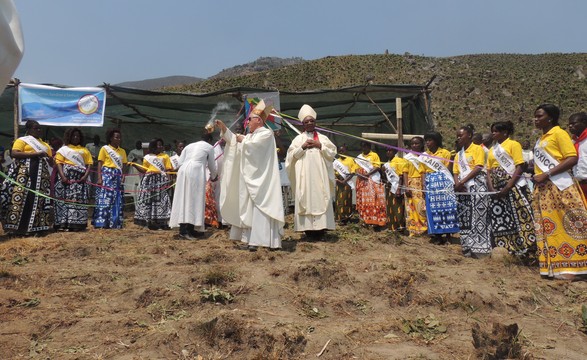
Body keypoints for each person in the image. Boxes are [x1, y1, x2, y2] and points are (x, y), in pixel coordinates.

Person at [215, 100, 284, 251]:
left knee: (260, 209)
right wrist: (225, 130)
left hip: (261, 181)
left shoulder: (266, 133)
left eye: (250, 119)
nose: (247, 123)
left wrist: (243, 141)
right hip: (249, 180)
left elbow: (253, 147)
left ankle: (263, 241)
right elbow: (236, 142)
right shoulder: (251, 136)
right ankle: (250, 240)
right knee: (248, 209)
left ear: (258, 120)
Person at [532, 104, 587, 280]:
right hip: (545, 190)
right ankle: (556, 266)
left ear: (550, 118)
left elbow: (572, 158)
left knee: (572, 224)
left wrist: (547, 173)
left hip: (560, 187)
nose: (536, 119)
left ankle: (578, 267)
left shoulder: (559, 133)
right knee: (551, 227)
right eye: (535, 116)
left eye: (539, 116)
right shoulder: (540, 139)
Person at [285, 104, 337, 239]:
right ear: (302, 124)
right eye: (306, 121)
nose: (309, 123)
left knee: (321, 197)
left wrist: (320, 145)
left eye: (311, 121)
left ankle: (321, 230)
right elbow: (291, 157)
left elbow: (332, 154)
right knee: (305, 198)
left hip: (320, 176)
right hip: (305, 177)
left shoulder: (323, 138)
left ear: (315, 123)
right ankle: (307, 230)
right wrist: (302, 147)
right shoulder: (298, 139)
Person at [486, 121, 535, 255]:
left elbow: (519, 166)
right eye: (493, 131)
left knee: (520, 216)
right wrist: (491, 188)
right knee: (501, 218)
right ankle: (507, 247)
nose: (493, 134)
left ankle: (526, 248)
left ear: (505, 132)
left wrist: (508, 187)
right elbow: (488, 171)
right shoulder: (491, 150)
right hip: (496, 188)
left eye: (496, 131)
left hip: (512, 186)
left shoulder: (514, 144)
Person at [0, 120, 53, 235]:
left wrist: (50, 159)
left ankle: (36, 228)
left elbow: (50, 161)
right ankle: (19, 228)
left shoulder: (45, 145)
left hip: (41, 177)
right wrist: (35, 154)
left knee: (38, 199)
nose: (39, 130)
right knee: (23, 198)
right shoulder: (22, 140)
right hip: (24, 174)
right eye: (35, 128)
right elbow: (14, 154)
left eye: (40, 128)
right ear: (28, 130)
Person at [169, 132, 217, 240]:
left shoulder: (189, 146)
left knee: (186, 199)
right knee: (192, 200)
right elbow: (212, 165)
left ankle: (190, 229)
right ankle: (184, 231)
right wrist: (214, 176)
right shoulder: (209, 147)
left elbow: (180, 162)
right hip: (196, 171)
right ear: (209, 140)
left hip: (183, 171)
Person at [453, 125, 492, 257]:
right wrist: (458, 184)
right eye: (457, 136)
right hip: (462, 188)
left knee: (479, 215)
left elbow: (479, 166)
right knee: (465, 216)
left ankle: (480, 248)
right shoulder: (459, 154)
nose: (458, 138)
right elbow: (455, 172)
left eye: (461, 135)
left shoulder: (478, 149)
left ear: (469, 135)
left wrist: (462, 182)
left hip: (476, 185)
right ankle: (467, 246)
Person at [419, 131, 459, 243]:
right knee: (432, 209)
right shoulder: (424, 156)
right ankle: (436, 235)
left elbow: (448, 170)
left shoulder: (445, 153)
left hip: (443, 182)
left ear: (436, 141)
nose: (428, 143)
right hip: (430, 183)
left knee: (446, 209)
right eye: (426, 140)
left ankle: (448, 234)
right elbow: (422, 172)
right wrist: (423, 185)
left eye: (430, 140)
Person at [54, 128, 93, 231]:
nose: (76, 137)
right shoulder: (64, 149)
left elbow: (89, 164)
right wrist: (62, 176)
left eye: (78, 136)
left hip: (80, 180)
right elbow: (59, 163)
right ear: (69, 137)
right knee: (65, 200)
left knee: (78, 201)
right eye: (73, 136)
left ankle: (77, 224)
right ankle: (63, 224)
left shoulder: (85, 150)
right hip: (67, 179)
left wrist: (85, 177)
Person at [133, 138, 173, 230]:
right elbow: (144, 170)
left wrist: (169, 180)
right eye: (158, 145)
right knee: (148, 201)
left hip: (161, 180)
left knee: (162, 201)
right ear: (153, 146)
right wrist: (135, 165)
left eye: (161, 145)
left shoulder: (165, 156)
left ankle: (161, 222)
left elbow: (168, 170)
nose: (160, 147)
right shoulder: (147, 157)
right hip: (148, 180)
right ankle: (148, 222)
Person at [93, 129, 127, 229]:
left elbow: (124, 164)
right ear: (111, 138)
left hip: (117, 175)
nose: (119, 139)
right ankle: (102, 222)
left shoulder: (122, 151)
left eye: (120, 137)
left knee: (117, 198)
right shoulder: (105, 149)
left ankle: (115, 222)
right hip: (107, 175)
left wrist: (123, 176)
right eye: (116, 137)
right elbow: (100, 163)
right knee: (105, 198)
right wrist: (99, 178)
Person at [355, 141, 387, 227]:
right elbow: (356, 169)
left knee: (375, 200)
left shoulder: (374, 155)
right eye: (362, 146)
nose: (364, 148)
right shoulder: (359, 157)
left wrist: (367, 174)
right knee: (364, 201)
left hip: (373, 179)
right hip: (363, 182)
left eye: (365, 146)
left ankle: (376, 221)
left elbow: (377, 166)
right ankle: (365, 220)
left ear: (369, 147)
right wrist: (360, 174)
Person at [404, 137, 428, 236]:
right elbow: (404, 172)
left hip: (423, 182)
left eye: (417, 143)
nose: (414, 146)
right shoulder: (407, 157)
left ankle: (424, 229)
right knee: (411, 207)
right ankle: (413, 229)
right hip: (411, 183)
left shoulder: (426, 156)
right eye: (412, 144)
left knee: (422, 207)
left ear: (421, 144)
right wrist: (406, 186)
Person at [382, 147, 407, 231]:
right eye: (387, 151)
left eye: (390, 150)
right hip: (389, 188)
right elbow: (385, 178)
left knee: (398, 207)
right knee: (390, 207)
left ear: (394, 151)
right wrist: (383, 171)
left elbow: (401, 176)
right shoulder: (386, 164)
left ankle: (400, 227)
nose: (388, 152)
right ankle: (392, 226)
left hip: (396, 187)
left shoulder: (399, 161)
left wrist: (399, 189)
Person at [333, 144, 357, 225]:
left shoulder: (350, 160)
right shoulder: (336, 161)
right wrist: (337, 179)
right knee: (339, 201)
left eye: (342, 150)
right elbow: (333, 172)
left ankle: (346, 217)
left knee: (346, 201)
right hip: (339, 183)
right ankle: (339, 217)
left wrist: (345, 181)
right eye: (339, 151)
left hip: (347, 183)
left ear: (346, 151)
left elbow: (352, 172)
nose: (341, 152)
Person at [568, 112, 587, 197]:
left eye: (573, 123)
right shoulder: (573, 142)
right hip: (579, 185)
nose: (570, 126)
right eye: (569, 124)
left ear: (584, 122)